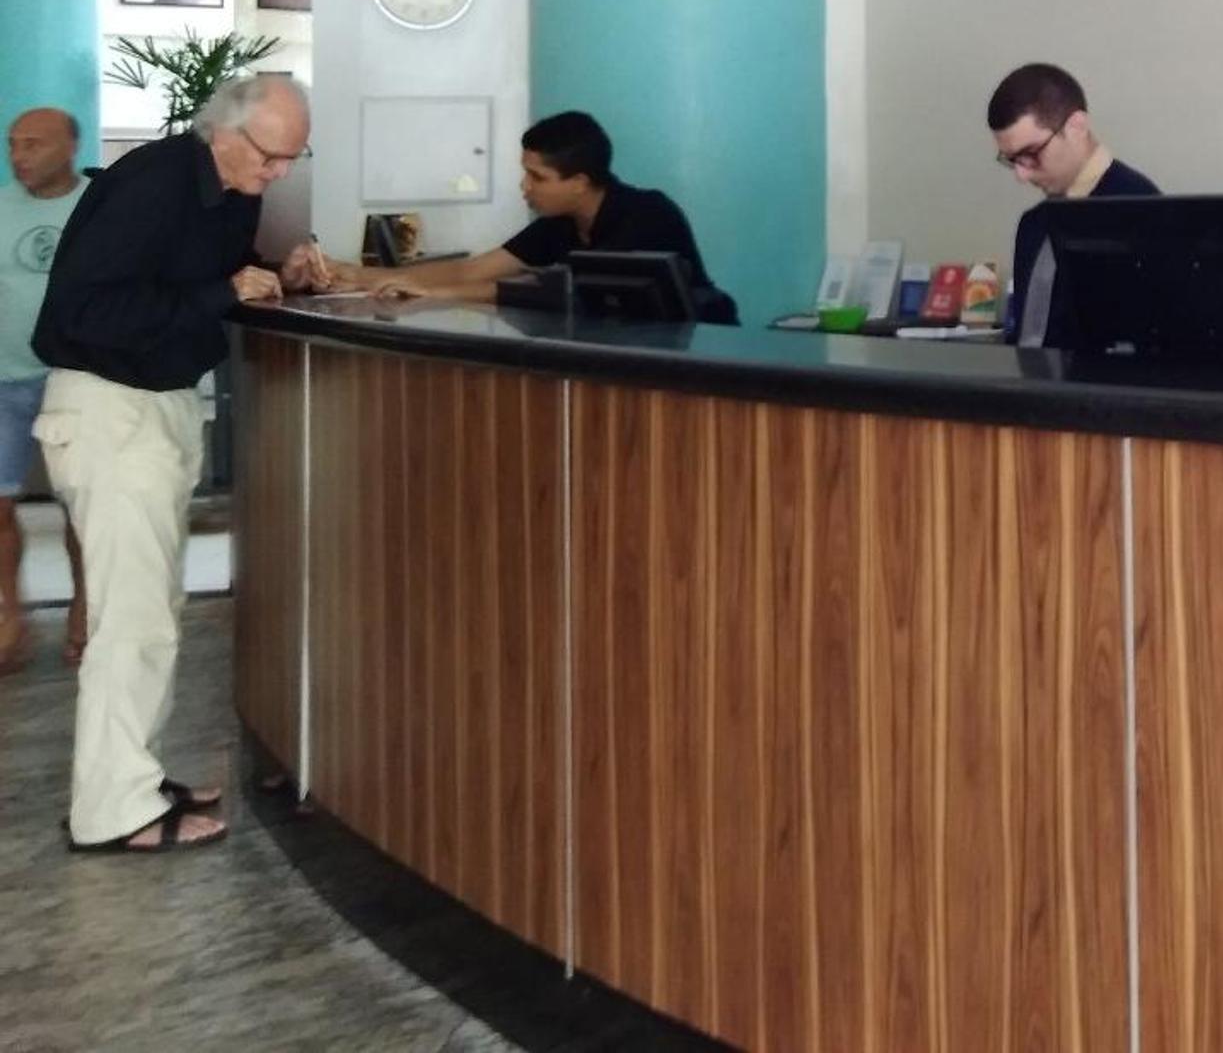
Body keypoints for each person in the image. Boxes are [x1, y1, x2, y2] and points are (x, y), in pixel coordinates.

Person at [34, 75, 335, 854]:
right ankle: (113, 811)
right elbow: (82, 311)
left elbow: (208, 281)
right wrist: (220, 290)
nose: (278, 173)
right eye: (270, 156)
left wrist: (277, 275)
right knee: (129, 623)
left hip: (156, 408)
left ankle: (132, 778)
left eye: (292, 160)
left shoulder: (231, 192)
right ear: (223, 130)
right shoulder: (155, 181)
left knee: (151, 612)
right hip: (108, 408)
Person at [373, 109, 732, 320]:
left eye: (538, 177)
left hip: (693, 358)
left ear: (579, 183)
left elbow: (561, 291)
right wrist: (365, 278)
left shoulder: (648, 214)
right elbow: (473, 270)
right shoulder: (559, 224)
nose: (525, 186)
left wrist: (439, 293)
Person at [1, 107, 90, 674]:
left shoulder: (99, 207)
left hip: (75, 380)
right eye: (13, 144)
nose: (19, 156)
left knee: (80, 506)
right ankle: (9, 612)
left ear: (70, 147)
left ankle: (83, 608)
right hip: (4, 379)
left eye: (33, 144)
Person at [986, 63, 1158, 344]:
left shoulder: (1141, 211)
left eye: (1031, 153)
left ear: (1077, 126)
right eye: (1012, 160)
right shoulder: (1033, 224)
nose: (1021, 175)